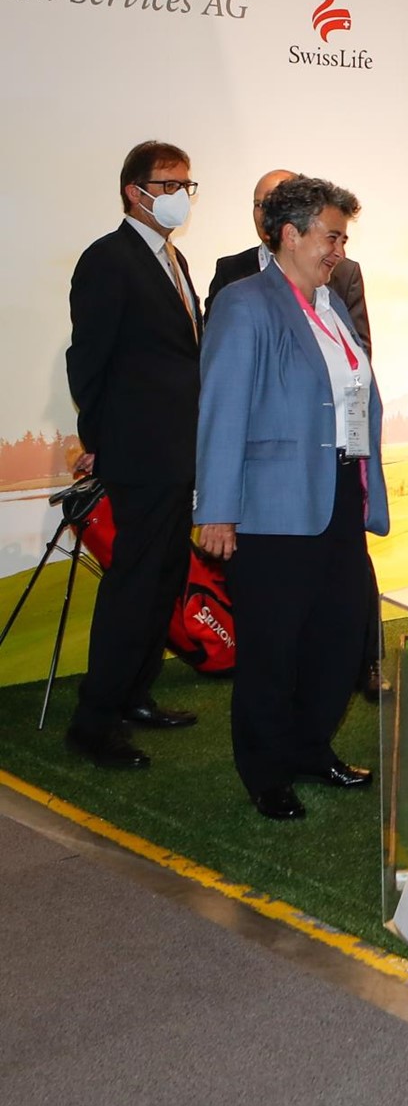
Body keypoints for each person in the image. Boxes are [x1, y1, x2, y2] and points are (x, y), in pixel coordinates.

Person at [194, 176, 387, 820]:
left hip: (338, 493)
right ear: (291, 235)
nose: (339, 250)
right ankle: (266, 770)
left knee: (340, 636)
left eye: (343, 238)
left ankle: (310, 748)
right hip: (272, 506)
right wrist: (217, 509)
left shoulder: (331, 306)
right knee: (273, 647)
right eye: (331, 236)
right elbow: (222, 408)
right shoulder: (245, 303)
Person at [63, 140, 204, 770]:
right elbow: (87, 361)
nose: (180, 197)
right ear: (134, 191)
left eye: (186, 186)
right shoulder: (108, 259)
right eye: (168, 185)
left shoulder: (174, 258)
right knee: (134, 585)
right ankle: (93, 723)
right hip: (140, 455)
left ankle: (134, 696)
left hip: (179, 452)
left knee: (164, 578)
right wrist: (99, 441)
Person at [204, 169, 372, 348]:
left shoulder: (340, 281)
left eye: (276, 203)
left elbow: (357, 350)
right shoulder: (232, 278)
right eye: (258, 205)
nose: (265, 213)